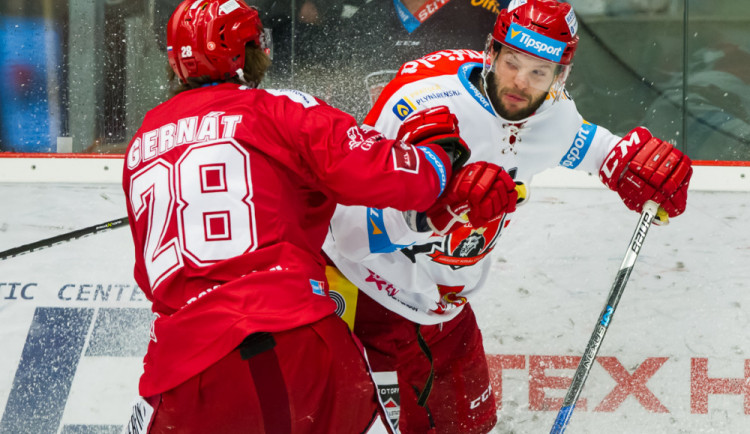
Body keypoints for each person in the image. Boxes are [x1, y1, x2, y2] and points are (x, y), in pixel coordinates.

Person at [120, 0, 517, 432]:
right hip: (292, 341)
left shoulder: (141, 144)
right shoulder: (277, 109)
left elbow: (150, 277)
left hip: (180, 369)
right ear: (251, 51)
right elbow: (397, 176)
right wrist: (441, 155)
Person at [323, 0, 694, 433]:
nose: (520, 81)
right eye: (512, 62)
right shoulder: (420, 103)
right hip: (366, 303)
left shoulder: (553, 116)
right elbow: (343, 229)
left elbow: (590, 145)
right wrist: (430, 211)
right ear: (492, 50)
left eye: (539, 72)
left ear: (561, 77)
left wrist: (629, 162)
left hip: (445, 313)